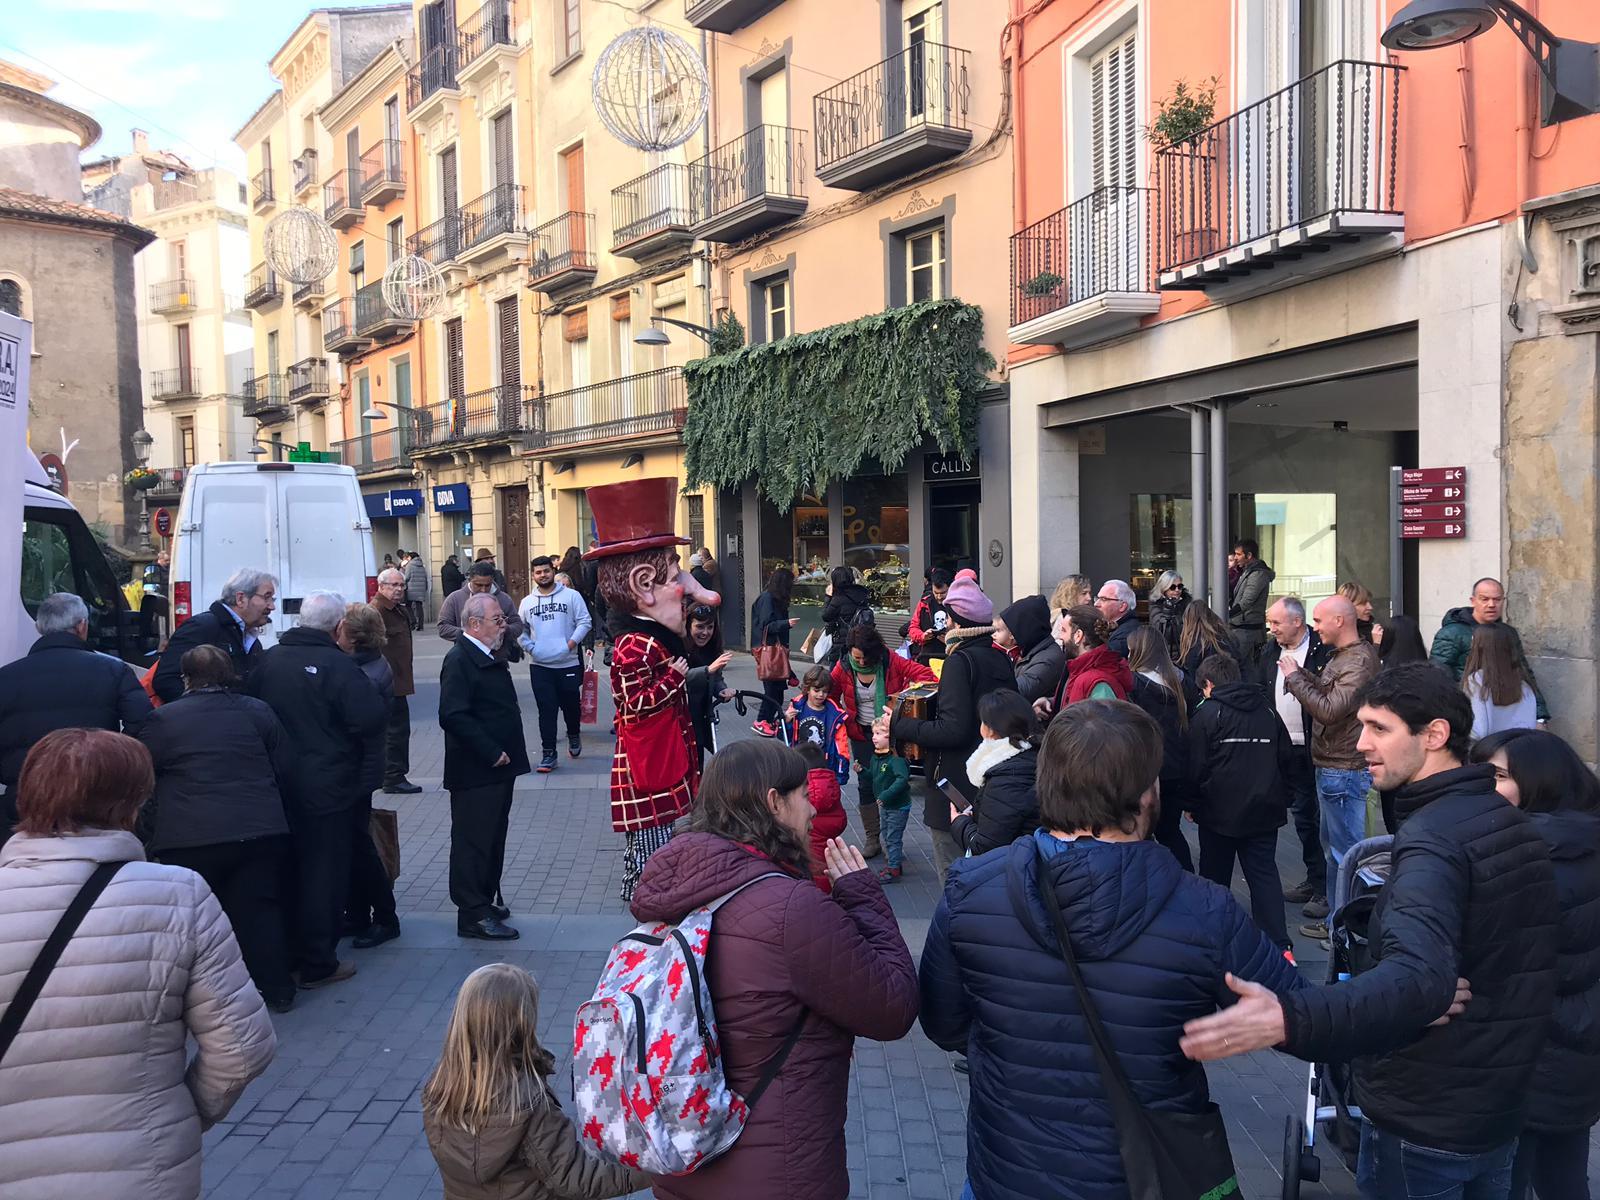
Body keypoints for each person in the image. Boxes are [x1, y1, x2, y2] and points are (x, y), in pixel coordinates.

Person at [1181, 663, 1558, 1200]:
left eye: (1379, 728)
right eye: (1362, 726)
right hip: (1497, 1105)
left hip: (1429, 1115)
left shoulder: (1434, 839)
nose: (1361, 744)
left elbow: (1418, 979)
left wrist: (1289, 1017)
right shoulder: (1507, 822)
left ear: (1434, 735)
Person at [920, 700, 1304, 1200]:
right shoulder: (1206, 909)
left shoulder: (971, 887)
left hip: (1007, 1171)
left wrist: (1011, 1047)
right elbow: (1301, 1014)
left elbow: (942, 1022)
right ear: (1147, 793)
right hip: (1143, 1177)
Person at [628, 740, 919, 1200]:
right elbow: (893, 1006)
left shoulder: (670, 892)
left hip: (682, 1157)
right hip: (777, 1173)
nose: (813, 809)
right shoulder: (789, 909)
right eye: (803, 794)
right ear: (774, 802)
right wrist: (862, 895)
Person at [0, 728, 277, 1200]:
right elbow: (243, 1047)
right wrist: (178, 1115)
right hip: (138, 1169)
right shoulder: (177, 894)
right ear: (132, 803)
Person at [1470, 729, 1600, 1200]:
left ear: (1540, 782)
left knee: (1510, 1178)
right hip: (1578, 1046)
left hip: (1525, 1051)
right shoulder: (1583, 843)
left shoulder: (1525, 855)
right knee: (1563, 1173)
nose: (1484, 787)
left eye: (1498, 776)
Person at [137, 644, 296, 1012]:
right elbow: (285, 766)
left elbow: (143, 774)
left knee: (192, 919)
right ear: (230, 675)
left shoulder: (164, 720)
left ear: (186, 679)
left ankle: (197, 996)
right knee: (260, 910)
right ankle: (277, 987)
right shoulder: (257, 711)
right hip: (257, 830)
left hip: (189, 836)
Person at [585, 478, 721, 903]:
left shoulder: (651, 640)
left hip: (663, 760)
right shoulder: (634, 645)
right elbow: (632, 702)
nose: (693, 591)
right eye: (677, 577)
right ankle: (648, 900)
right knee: (652, 845)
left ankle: (655, 894)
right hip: (651, 769)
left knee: (664, 839)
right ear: (644, 584)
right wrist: (674, 678)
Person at [246, 591, 386, 988]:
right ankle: (318, 962)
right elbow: (370, 719)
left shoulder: (268, 661)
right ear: (339, 626)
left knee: (287, 870)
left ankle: (289, 953)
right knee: (324, 875)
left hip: (277, 787)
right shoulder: (338, 666)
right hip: (328, 789)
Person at [422, 963, 647, 1200]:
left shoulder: (440, 1086)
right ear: (521, 1023)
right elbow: (577, 1178)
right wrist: (654, 1173)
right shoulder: (527, 1103)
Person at [888, 572, 1018, 883]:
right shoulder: (1000, 658)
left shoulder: (960, 662)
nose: (945, 624)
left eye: (948, 617)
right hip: (990, 783)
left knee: (953, 878)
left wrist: (900, 724)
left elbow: (952, 730)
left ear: (958, 622)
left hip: (954, 786)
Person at [0, 592, 152, 841]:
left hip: (26, 796)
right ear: (82, 626)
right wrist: (112, 758)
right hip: (96, 792)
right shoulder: (113, 670)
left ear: (39, 628)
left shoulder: (5, 677)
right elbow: (144, 722)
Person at [1280, 595, 1380, 941]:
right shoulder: (1345, 657)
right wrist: (1301, 674)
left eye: (1320, 620)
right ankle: (1341, 924)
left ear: (1340, 621)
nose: (1315, 627)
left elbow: (1329, 709)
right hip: (1334, 765)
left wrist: (1295, 679)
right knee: (1337, 852)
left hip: (1344, 768)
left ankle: (1349, 929)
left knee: (1346, 854)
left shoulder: (1358, 660)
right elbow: (1329, 694)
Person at [1188, 653, 1294, 951]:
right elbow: (1286, 758)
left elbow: (1196, 766)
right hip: (1264, 810)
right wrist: (1284, 797)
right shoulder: (1267, 710)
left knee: (1214, 877)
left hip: (1218, 812)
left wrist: (1191, 803)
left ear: (1208, 685)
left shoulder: (1208, 713)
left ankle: (1214, 940)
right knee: (1263, 875)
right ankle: (1280, 945)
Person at [440, 593, 531, 940]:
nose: (503, 625)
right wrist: (490, 751)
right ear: (475, 624)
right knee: (473, 841)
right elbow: (453, 715)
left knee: (492, 836)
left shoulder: (488, 653)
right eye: (498, 620)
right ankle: (472, 913)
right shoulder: (459, 659)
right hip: (476, 770)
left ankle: (484, 899)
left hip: (497, 768)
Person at [831, 624, 936, 861]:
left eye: (865, 657)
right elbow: (830, 695)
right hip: (860, 734)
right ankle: (872, 839)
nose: (861, 661)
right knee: (865, 783)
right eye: (857, 657)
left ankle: (893, 839)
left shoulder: (890, 660)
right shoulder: (844, 666)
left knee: (894, 781)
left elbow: (927, 677)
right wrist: (842, 719)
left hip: (890, 733)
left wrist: (905, 699)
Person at [1257, 598, 1330, 919]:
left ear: (1297, 621)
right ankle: (1315, 878)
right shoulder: (1270, 650)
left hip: (1318, 747)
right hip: (1283, 748)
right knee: (1301, 819)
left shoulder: (1321, 651)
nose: (1271, 628)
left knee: (1322, 820)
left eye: (1276, 622)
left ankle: (1326, 888)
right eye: (1270, 622)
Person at [338, 602, 401, 951]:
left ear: (352, 635)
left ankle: (385, 917)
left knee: (361, 846)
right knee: (354, 844)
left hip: (359, 768)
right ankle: (359, 912)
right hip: (363, 766)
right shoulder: (369, 663)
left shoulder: (364, 671)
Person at [1429, 577, 1549, 723]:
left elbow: (1523, 672)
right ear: (1473, 601)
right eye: (1484, 599)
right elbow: (1439, 674)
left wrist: (1540, 716)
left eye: (1497, 599)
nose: (1491, 604)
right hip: (1469, 711)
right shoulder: (1453, 633)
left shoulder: (1508, 633)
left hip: (1505, 710)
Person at [1126, 625, 1195, 872]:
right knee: (1170, 831)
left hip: (1148, 770)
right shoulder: (1183, 681)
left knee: (1143, 832)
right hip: (1178, 768)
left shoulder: (1134, 683)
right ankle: (1185, 877)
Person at [152, 567, 277, 703]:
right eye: (267, 597)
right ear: (241, 599)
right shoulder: (202, 627)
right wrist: (208, 710)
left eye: (272, 599)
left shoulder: (251, 640)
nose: (272, 606)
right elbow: (166, 680)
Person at [517, 555, 593, 773]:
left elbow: (585, 621)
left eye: (546, 571)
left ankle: (573, 734)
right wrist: (530, 647)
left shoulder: (571, 596)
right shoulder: (527, 602)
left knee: (571, 706)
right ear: (533, 575)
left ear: (553, 571)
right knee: (546, 709)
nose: (543, 575)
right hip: (540, 665)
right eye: (538, 572)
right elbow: (519, 629)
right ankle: (548, 753)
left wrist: (570, 644)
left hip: (567, 662)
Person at [950, 689, 1039, 858]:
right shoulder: (1035, 755)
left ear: (990, 730)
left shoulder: (1007, 777)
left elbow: (985, 847)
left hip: (1014, 865)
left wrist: (959, 823)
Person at [372, 568, 422, 794]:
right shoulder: (377, 611)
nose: (399, 589)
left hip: (398, 681)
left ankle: (393, 775)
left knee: (398, 731)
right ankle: (393, 777)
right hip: (387, 682)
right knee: (395, 732)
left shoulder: (398, 610)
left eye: (402, 585)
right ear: (381, 587)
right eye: (394, 585)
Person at [1043, 606, 1134, 711]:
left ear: (1078, 636)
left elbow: (1105, 719)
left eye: (1064, 630)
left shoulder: (1098, 682)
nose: (1060, 636)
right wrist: (1051, 702)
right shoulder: (1078, 669)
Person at [1463, 621, 1539, 739]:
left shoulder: (1477, 680)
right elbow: (1530, 724)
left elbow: (1479, 730)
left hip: (1489, 747)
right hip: (1519, 745)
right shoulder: (1523, 682)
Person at [438, 562, 524, 662]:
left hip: (497, 659)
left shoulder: (504, 599)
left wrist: (504, 629)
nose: (483, 589)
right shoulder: (455, 598)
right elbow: (443, 627)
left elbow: (518, 625)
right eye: (478, 585)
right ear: (469, 580)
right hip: (465, 657)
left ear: (492, 580)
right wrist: (468, 634)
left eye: (487, 585)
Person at [749, 565, 798, 737]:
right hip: (769, 651)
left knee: (777, 690)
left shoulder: (773, 599)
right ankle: (762, 720)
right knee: (772, 690)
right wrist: (786, 624)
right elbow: (766, 626)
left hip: (775, 650)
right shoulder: (767, 599)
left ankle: (770, 721)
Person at [685, 604, 734, 766]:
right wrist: (707, 670)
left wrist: (722, 690)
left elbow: (716, 677)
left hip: (701, 714)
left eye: (710, 627)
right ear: (688, 625)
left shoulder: (712, 648)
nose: (705, 632)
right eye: (699, 626)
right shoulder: (678, 647)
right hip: (681, 716)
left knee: (698, 760)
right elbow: (679, 679)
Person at [785, 664, 851, 782]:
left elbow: (841, 747)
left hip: (823, 767)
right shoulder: (796, 708)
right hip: (799, 764)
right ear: (807, 689)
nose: (821, 695)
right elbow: (784, 738)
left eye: (825, 691)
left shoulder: (834, 715)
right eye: (816, 690)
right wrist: (786, 722)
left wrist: (841, 773)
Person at [797, 741, 848, 893]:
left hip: (811, 844)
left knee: (814, 869)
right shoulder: (831, 783)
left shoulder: (803, 789)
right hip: (829, 837)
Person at [996, 594, 1066, 703]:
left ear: (1026, 628)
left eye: (1013, 629)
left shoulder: (1048, 659)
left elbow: (1016, 692)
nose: (1011, 634)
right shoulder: (1029, 650)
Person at [868, 719, 913, 882]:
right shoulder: (877, 758)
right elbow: (873, 776)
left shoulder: (896, 760)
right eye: (873, 733)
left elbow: (902, 780)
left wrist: (885, 795)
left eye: (878, 733)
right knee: (887, 834)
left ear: (890, 737)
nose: (874, 737)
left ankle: (894, 869)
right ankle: (894, 863)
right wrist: (862, 772)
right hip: (886, 805)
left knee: (893, 837)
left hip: (898, 807)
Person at [1176, 600, 1240, 709]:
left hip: (1209, 693)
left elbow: (1192, 675)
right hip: (1232, 689)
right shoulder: (1226, 635)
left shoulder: (1196, 644)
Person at [1227, 538, 1276, 667]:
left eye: (1238, 554)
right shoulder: (1247, 571)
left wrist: (1228, 614)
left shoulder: (1258, 574)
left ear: (1249, 555)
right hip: (1242, 627)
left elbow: (1246, 601)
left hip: (1248, 629)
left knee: (1239, 666)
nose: (1235, 558)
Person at [819, 564, 873, 666]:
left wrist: (828, 596)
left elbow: (826, 616)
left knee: (836, 670)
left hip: (842, 642)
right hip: (860, 639)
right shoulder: (861, 593)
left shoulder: (838, 598)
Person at [908, 566, 955, 662]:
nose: (939, 597)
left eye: (943, 593)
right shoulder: (924, 602)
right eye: (936, 592)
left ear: (950, 587)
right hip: (926, 655)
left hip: (949, 656)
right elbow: (913, 627)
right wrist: (922, 636)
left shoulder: (956, 604)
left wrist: (950, 639)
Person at [1147, 569, 1191, 659]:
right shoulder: (1156, 604)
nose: (1177, 590)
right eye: (1172, 587)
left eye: (1180, 586)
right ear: (1164, 588)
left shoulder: (1187, 602)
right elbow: (1164, 631)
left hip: (1186, 651)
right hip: (1165, 654)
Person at [1093, 579, 1142, 659]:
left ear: (1122, 606)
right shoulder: (1115, 627)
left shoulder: (1124, 637)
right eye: (1097, 598)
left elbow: (1105, 660)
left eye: (1103, 599)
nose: (1096, 604)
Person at [403, 548, 430, 631]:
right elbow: (425, 578)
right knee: (419, 606)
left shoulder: (409, 565)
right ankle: (420, 625)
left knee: (408, 606)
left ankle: (413, 622)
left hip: (411, 589)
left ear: (411, 557)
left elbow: (407, 577)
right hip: (421, 589)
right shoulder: (422, 566)